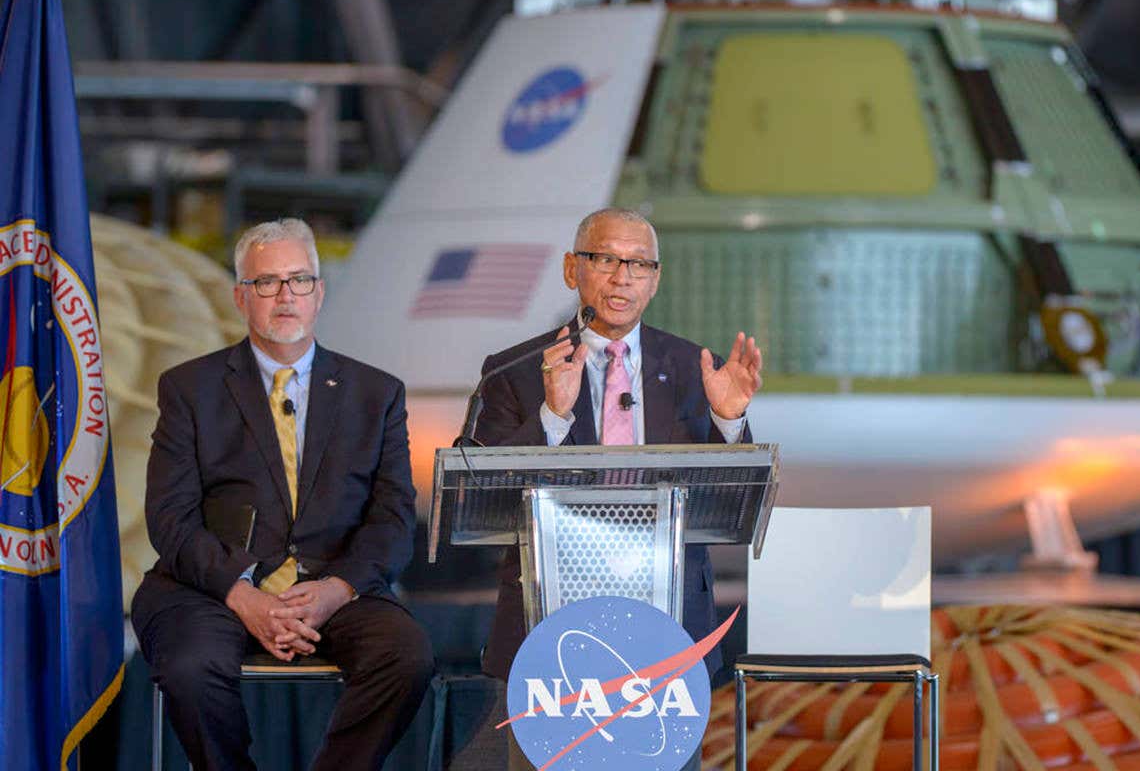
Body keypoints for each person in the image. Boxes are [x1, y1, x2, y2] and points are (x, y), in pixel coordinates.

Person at [131, 218, 432, 771]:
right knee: (190, 667)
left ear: (320, 292)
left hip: (334, 586)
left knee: (405, 656)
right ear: (241, 297)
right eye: (267, 283)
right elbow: (170, 519)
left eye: (299, 280)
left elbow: (392, 518)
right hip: (213, 589)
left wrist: (336, 590)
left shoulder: (376, 392)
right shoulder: (188, 388)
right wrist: (245, 596)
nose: (285, 296)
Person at [474, 207, 763, 682]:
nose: (622, 278)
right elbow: (489, 497)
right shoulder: (517, 369)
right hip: (553, 607)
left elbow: (730, 500)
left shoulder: (697, 366)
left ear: (655, 279)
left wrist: (728, 421)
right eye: (605, 260)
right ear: (573, 269)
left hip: (670, 610)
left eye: (639, 264)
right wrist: (552, 415)